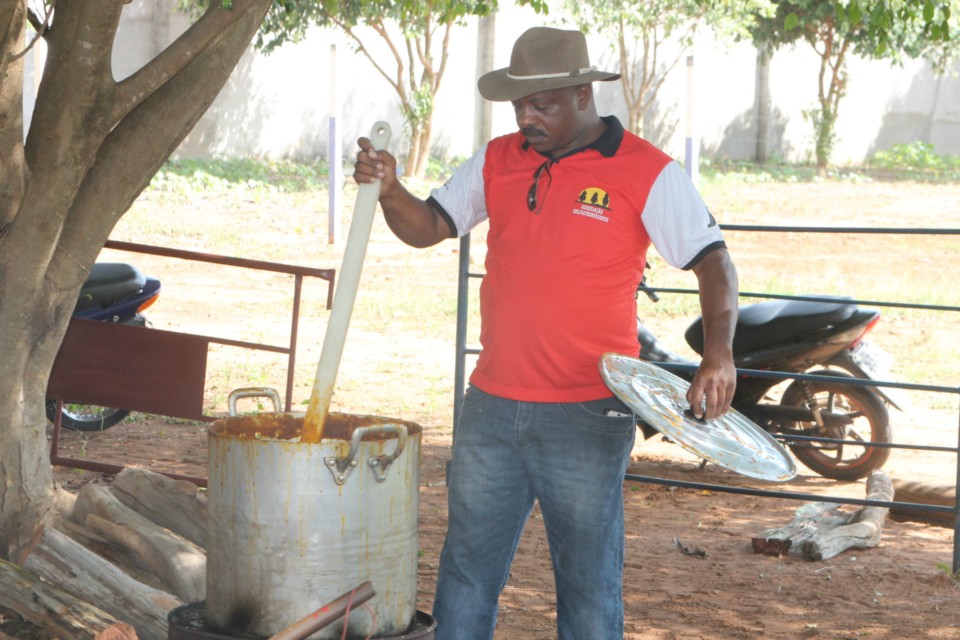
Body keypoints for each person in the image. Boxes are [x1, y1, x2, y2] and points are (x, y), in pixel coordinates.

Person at [353, 26, 739, 640]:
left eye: (543, 104)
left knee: (587, 592)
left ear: (584, 94)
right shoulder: (498, 160)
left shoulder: (646, 170)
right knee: (465, 578)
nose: (526, 117)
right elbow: (428, 226)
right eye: (519, 105)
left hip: (588, 415)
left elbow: (712, 260)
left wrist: (718, 353)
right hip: (492, 408)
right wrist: (391, 190)